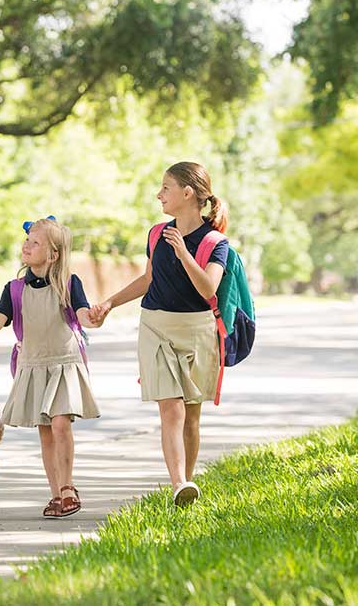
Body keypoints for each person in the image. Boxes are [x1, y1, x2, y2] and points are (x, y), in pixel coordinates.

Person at [92, 161, 229, 507]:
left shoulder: (215, 242)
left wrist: (183, 252)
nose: (159, 195)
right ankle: (178, 483)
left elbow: (208, 289)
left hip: (197, 331)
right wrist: (110, 302)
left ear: (187, 193)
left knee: (191, 416)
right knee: (171, 408)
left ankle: (188, 483)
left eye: (165, 188)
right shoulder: (156, 234)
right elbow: (150, 279)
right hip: (155, 325)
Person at [0, 217, 103, 518]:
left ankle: (68, 486)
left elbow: (82, 315)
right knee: (45, 432)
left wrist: (94, 317)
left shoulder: (69, 283)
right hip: (33, 366)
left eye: (35, 242)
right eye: (27, 240)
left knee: (60, 424)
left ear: (54, 254)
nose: (26, 245)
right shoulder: (15, 289)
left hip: (63, 365)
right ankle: (56, 493)